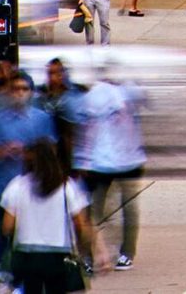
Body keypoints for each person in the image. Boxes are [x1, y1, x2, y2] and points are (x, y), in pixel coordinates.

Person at [0, 73, 55, 283]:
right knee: (3, 226)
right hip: (3, 182)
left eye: (24, 89)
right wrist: (1, 151)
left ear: (30, 93)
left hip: (32, 183)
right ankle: (1, 265)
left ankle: (26, 265)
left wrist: (26, 152)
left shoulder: (42, 119)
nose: (19, 94)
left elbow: (49, 151)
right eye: (15, 89)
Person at [70, 72, 146, 272]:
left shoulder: (94, 98)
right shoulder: (124, 96)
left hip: (105, 162)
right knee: (124, 208)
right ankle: (122, 253)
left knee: (94, 209)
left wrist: (83, 160)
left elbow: (86, 132)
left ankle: (91, 255)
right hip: (119, 161)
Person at [0, 142, 94, 294]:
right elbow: (80, 224)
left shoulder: (17, 185)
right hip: (58, 255)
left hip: (26, 255)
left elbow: (7, 226)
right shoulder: (66, 186)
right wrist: (83, 248)